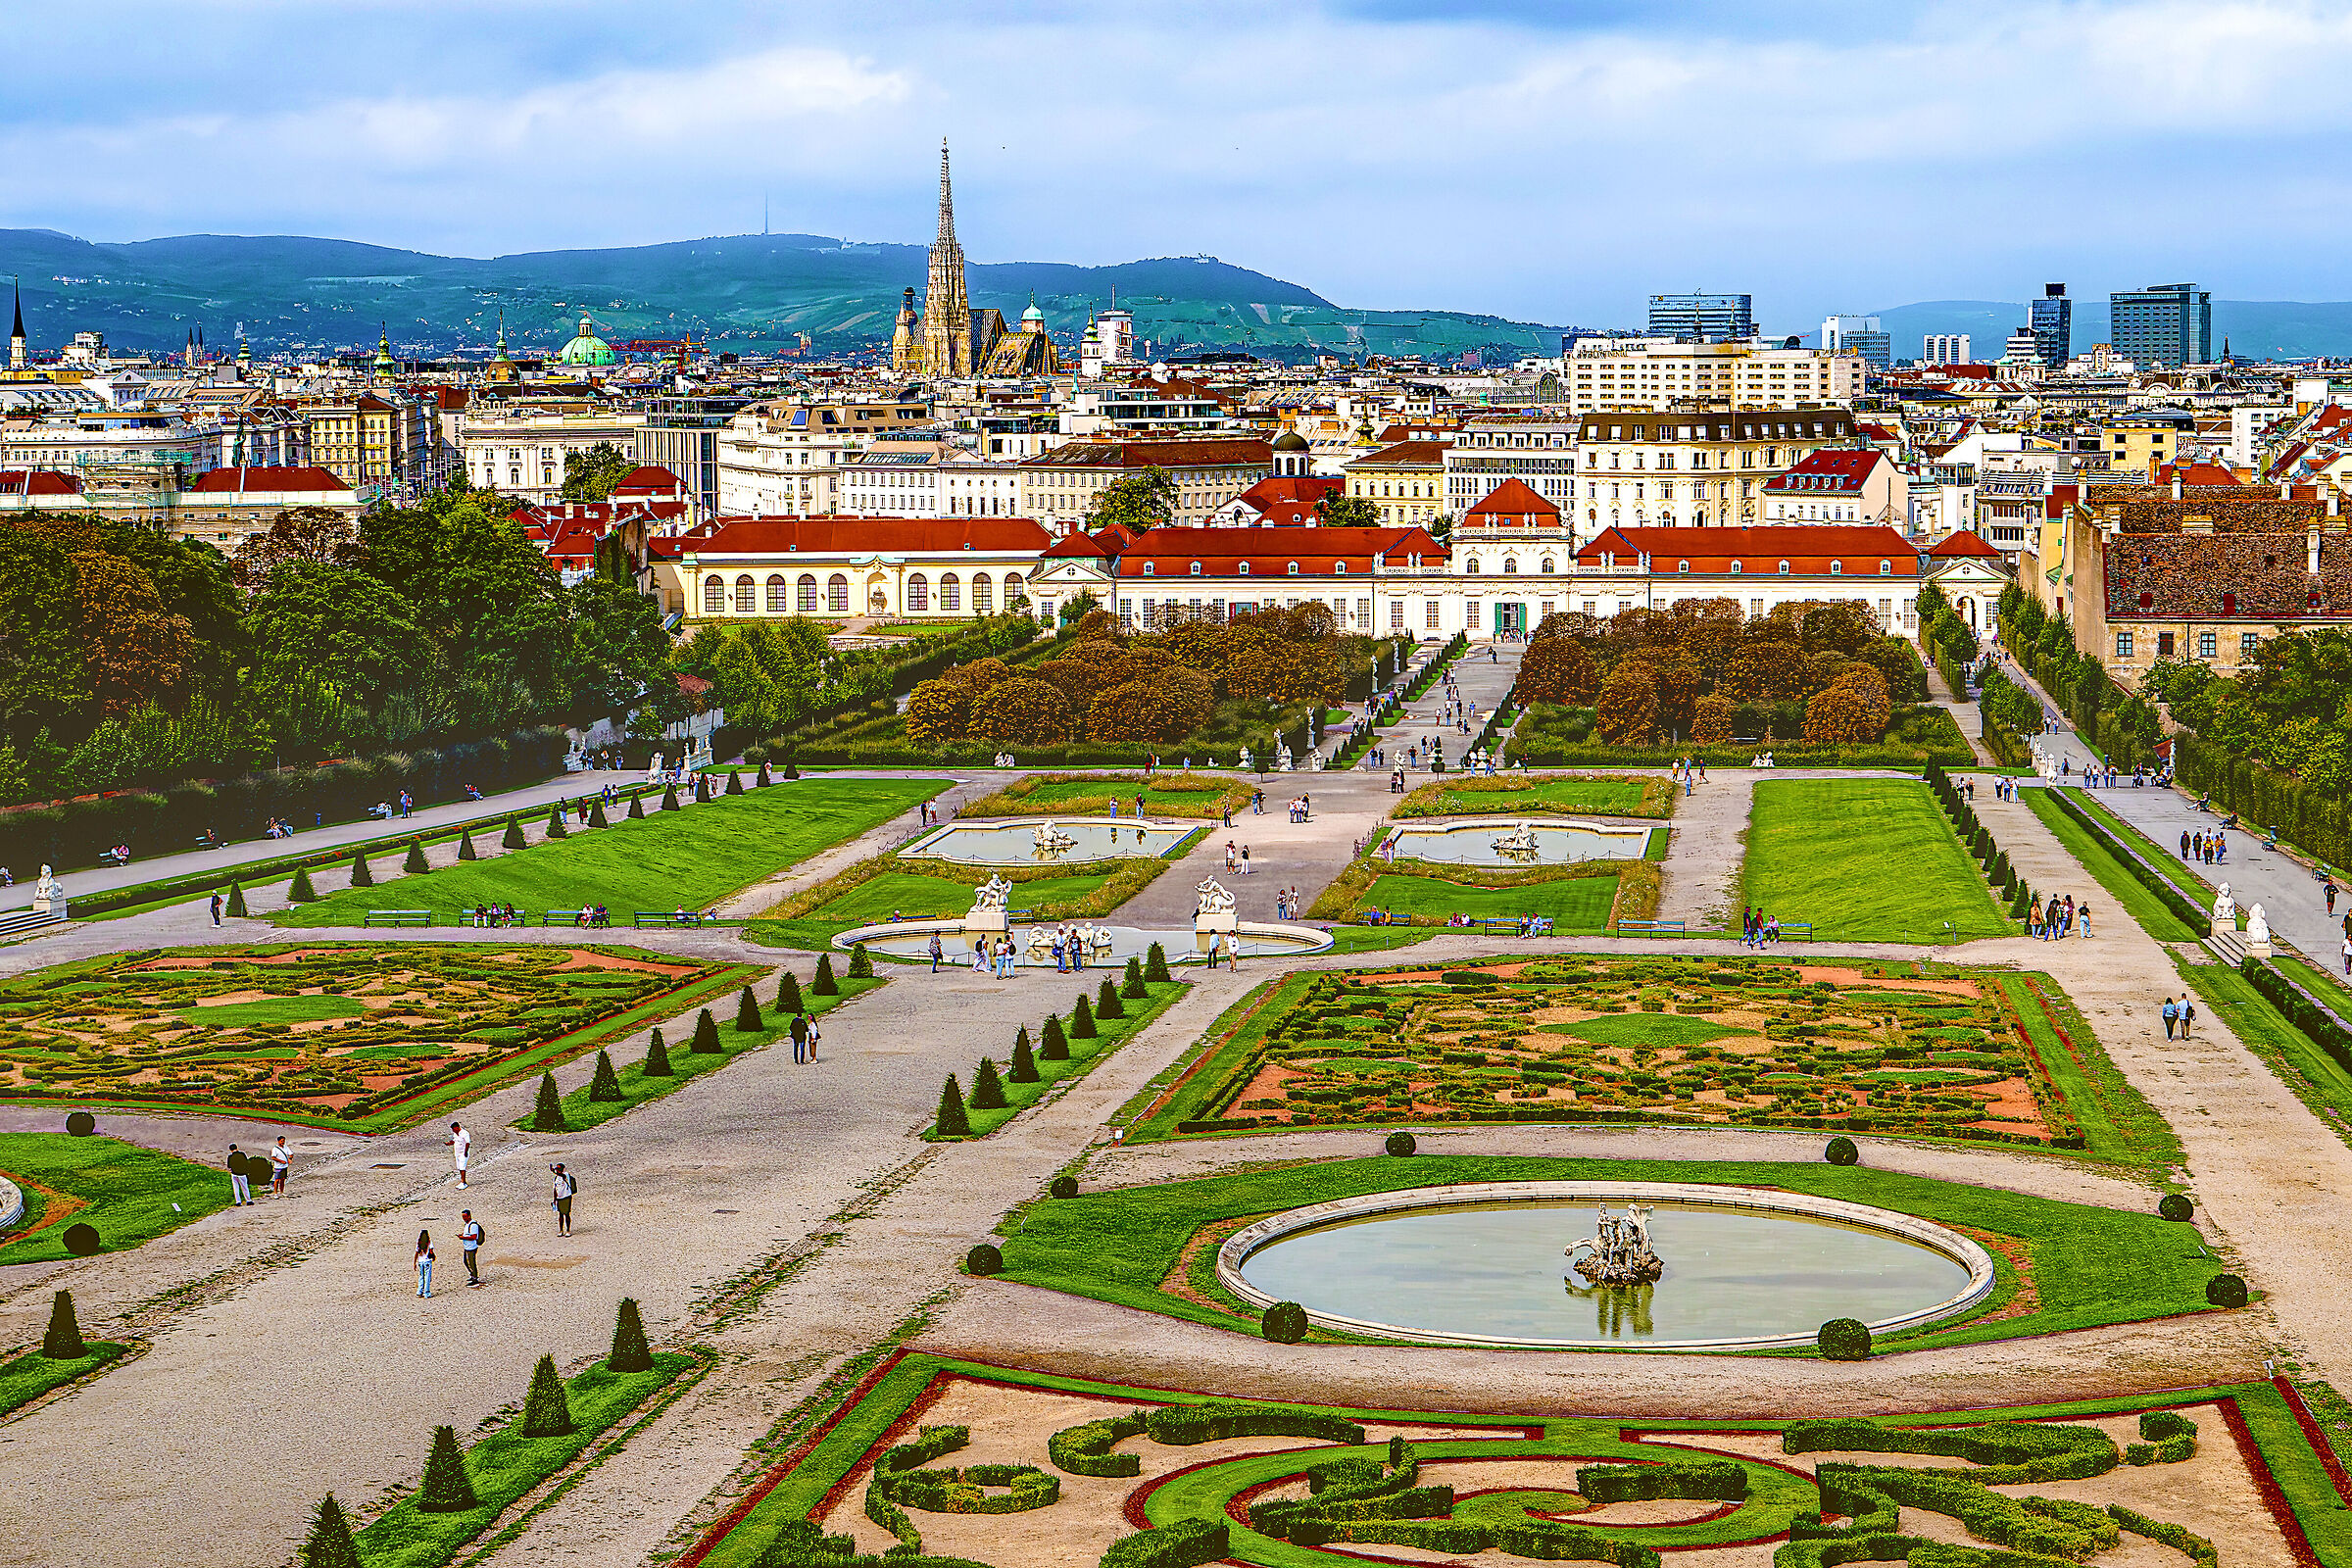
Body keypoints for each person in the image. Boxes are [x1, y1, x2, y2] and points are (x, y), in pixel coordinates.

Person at [459, 1210, 483, 1286]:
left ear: (469, 1216)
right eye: (463, 1217)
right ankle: (472, 1275)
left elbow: (473, 1237)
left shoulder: (473, 1225)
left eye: (465, 1216)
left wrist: (463, 1237)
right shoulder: (467, 1224)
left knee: (471, 1263)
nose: (464, 1218)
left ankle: (475, 1278)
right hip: (467, 1247)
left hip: (471, 1247)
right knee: (466, 1261)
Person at [551, 1163, 576, 1236]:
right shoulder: (555, 1178)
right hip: (559, 1198)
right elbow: (555, 1189)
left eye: (559, 1169)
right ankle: (561, 1230)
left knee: (567, 1214)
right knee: (560, 1215)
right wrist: (554, 1200)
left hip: (566, 1197)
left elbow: (563, 1176)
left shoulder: (566, 1175)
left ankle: (568, 1230)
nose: (558, 1171)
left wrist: (554, 1171)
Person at [449, 1120, 470, 1188]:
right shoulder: (455, 1134)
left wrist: (466, 1152)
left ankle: (463, 1182)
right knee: (459, 1167)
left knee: (462, 1167)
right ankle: (463, 1181)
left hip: (463, 1153)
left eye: (453, 1129)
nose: (453, 1131)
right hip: (457, 1153)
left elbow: (467, 1143)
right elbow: (455, 1141)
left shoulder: (465, 1133)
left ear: (457, 1127)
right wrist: (449, 1143)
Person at [416, 1230, 435, 1298]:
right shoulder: (429, 1242)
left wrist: (415, 1262)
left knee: (421, 1276)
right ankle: (426, 1292)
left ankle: (419, 1291)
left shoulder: (419, 1243)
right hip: (427, 1261)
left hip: (420, 1261)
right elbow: (431, 1252)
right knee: (427, 1277)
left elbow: (416, 1252)